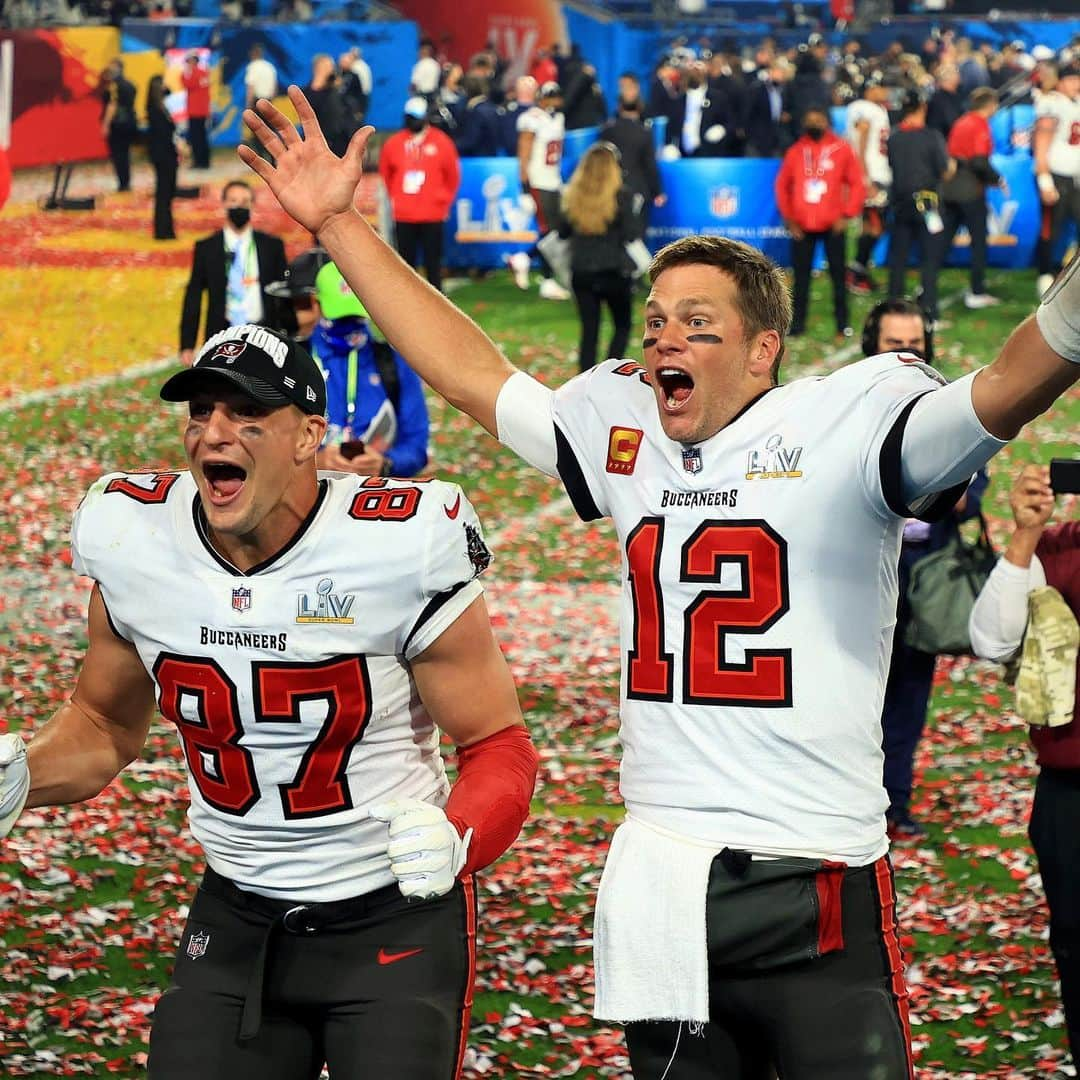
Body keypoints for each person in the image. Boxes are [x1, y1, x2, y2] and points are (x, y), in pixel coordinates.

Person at [239, 85, 1080, 1080]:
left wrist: (1070, 308)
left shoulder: (854, 419)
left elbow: (1002, 388)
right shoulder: (624, 427)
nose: (663, 338)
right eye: (655, 320)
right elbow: (471, 372)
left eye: (696, 322)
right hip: (664, 874)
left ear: (765, 349)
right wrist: (339, 225)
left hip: (817, 864)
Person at [0, 324, 538, 1078]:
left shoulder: (396, 545)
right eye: (201, 413)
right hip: (235, 913)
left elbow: (497, 746)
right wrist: (25, 771)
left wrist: (459, 835)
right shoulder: (135, 538)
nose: (214, 433)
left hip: (390, 918)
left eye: (247, 415)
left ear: (309, 436)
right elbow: (101, 724)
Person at [859, 298, 989, 839]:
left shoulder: (948, 406)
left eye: (916, 344)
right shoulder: (847, 406)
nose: (909, 355)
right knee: (855, 695)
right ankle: (854, 801)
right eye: (896, 345)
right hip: (863, 571)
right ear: (873, 348)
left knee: (910, 695)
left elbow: (973, 493)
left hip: (924, 568)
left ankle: (896, 803)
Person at [970, 464, 1080, 1063]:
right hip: (1071, 788)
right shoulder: (1057, 549)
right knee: (1076, 946)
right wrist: (1024, 535)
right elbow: (991, 640)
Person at [309, 260, 431, 477]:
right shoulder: (296, 361)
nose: (350, 327)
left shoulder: (392, 363)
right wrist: (314, 461)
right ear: (316, 305)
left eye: (356, 317)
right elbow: (269, 449)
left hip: (372, 501)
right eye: (341, 318)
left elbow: (416, 446)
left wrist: (385, 464)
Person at [179, 180, 292, 366]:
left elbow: (283, 292)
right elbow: (194, 296)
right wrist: (187, 344)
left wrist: (291, 334)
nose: (239, 206)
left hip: (264, 334)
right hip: (221, 335)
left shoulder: (271, 246)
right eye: (233, 201)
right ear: (224, 204)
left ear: (252, 205)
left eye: (244, 201)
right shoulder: (207, 248)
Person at [775, 106, 864, 339]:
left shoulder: (841, 149)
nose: (814, 123)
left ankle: (842, 322)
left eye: (819, 119)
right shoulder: (796, 151)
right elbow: (782, 186)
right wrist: (789, 218)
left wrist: (847, 214)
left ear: (827, 121)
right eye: (810, 119)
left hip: (833, 224)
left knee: (837, 276)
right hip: (802, 225)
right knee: (801, 278)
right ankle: (797, 325)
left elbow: (856, 183)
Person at [556, 142, 636, 374]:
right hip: (614, 271)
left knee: (589, 329)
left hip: (581, 272)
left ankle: (585, 380)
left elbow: (562, 232)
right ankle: (611, 375)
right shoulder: (622, 195)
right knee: (622, 325)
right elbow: (631, 234)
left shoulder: (572, 196)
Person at [378, 97, 460, 295]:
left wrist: (443, 202)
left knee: (433, 260)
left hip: (433, 212)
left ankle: (437, 297)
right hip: (404, 213)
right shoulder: (394, 143)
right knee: (406, 261)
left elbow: (453, 176)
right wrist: (397, 198)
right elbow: (386, 174)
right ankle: (408, 298)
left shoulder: (441, 142)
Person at [886, 91, 953, 324]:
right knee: (930, 261)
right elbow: (945, 170)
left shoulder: (893, 138)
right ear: (922, 108)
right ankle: (930, 312)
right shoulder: (932, 137)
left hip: (901, 204)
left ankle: (892, 309)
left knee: (898, 260)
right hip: (928, 205)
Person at [941, 87, 1004, 311]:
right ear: (990, 105)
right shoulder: (979, 125)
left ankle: (926, 286)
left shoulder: (961, 122)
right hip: (970, 190)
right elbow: (978, 161)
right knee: (979, 241)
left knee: (943, 239)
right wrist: (998, 178)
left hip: (950, 188)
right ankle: (977, 291)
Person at [510, 81, 571, 300]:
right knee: (549, 233)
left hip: (553, 180)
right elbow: (524, 155)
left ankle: (524, 259)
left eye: (557, 96)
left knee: (559, 230)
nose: (555, 101)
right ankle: (546, 281)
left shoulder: (558, 118)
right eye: (550, 96)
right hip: (538, 182)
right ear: (541, 97)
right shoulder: (531, 119)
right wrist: (524, 188)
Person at [1034, 62, 1080, 300]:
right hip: (1056, 174)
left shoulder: (1076, 103)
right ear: (1060, 82)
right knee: (1053, 228)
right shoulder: (1052, 103)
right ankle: (1045, 275)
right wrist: (1044, 180)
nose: (1077, 84)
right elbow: (1041, 143)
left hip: (1075, 177)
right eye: (1072, 80)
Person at [601, 75, 665, 239]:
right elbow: (649, 164)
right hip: (638, 190)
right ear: (639, 107)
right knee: (636, 236)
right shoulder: (644, 132)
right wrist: (657, 191)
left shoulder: (608, 130)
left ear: (619, 106)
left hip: (612, 188)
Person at [845, 77, 892, 295]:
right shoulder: (864, 109)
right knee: (875, 225)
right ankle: (856, 272)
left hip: (877, 171)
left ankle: (859, 272)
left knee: (871, 225)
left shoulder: (876, 109)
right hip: (871, 173)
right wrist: (864, 177)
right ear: (871, 89)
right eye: (881, 87)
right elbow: (860, 140)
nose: (886, 92)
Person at [146, 74, 180, 241]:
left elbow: (170, 92)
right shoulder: (155, 111)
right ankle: (162, 230)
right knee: (164, 193)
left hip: (166, 154)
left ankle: (166, 229)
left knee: (167, 193)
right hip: (164, 155)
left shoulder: (161, 108)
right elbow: (164, 134)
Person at [99, 58, 136, 193]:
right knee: (125, 154)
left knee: (118, 155)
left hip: (118, 124)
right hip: (129, 122)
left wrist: (106, 124)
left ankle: (123, 183)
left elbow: (112, 106)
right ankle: (126, 181)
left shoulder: (114, 86)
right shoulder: (130, 84)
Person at [304, 55, 350, 158]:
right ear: (320, 68)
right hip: (318, 144)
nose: (333, 70)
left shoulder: (336, 92)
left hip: (339, 143)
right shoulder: (307, 93)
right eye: (330, 66)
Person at [181, 51, 212, 170]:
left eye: (189, 61)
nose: (188, 64)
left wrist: (185, 74)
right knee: (201, 137)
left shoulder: (194, 73)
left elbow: (188, 84)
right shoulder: (203, 73)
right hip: (200, 111)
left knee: (197, 138)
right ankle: (204, 161)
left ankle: (200, 162)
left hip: (196, 111)